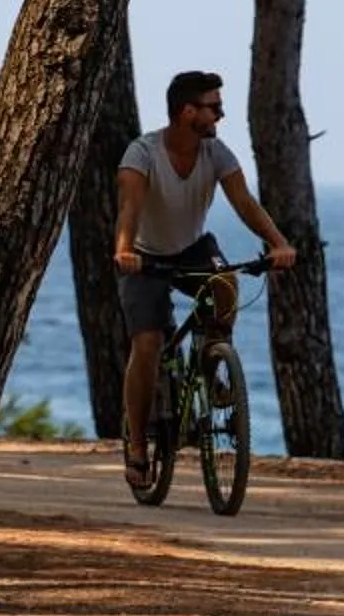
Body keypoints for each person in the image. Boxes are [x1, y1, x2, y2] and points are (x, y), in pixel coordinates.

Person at [115, 69, 296, 491]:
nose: (221, 114)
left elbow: (245, 203)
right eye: (214, 107)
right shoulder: (142, 153)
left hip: (192, 248)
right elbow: (130, 208)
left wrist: (277, 243)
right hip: (143, 255)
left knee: (226, 281)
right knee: (147, 345)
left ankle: (214, 361)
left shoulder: (216, 153)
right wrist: (124, 250)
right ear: (187, 112)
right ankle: (138, 446)